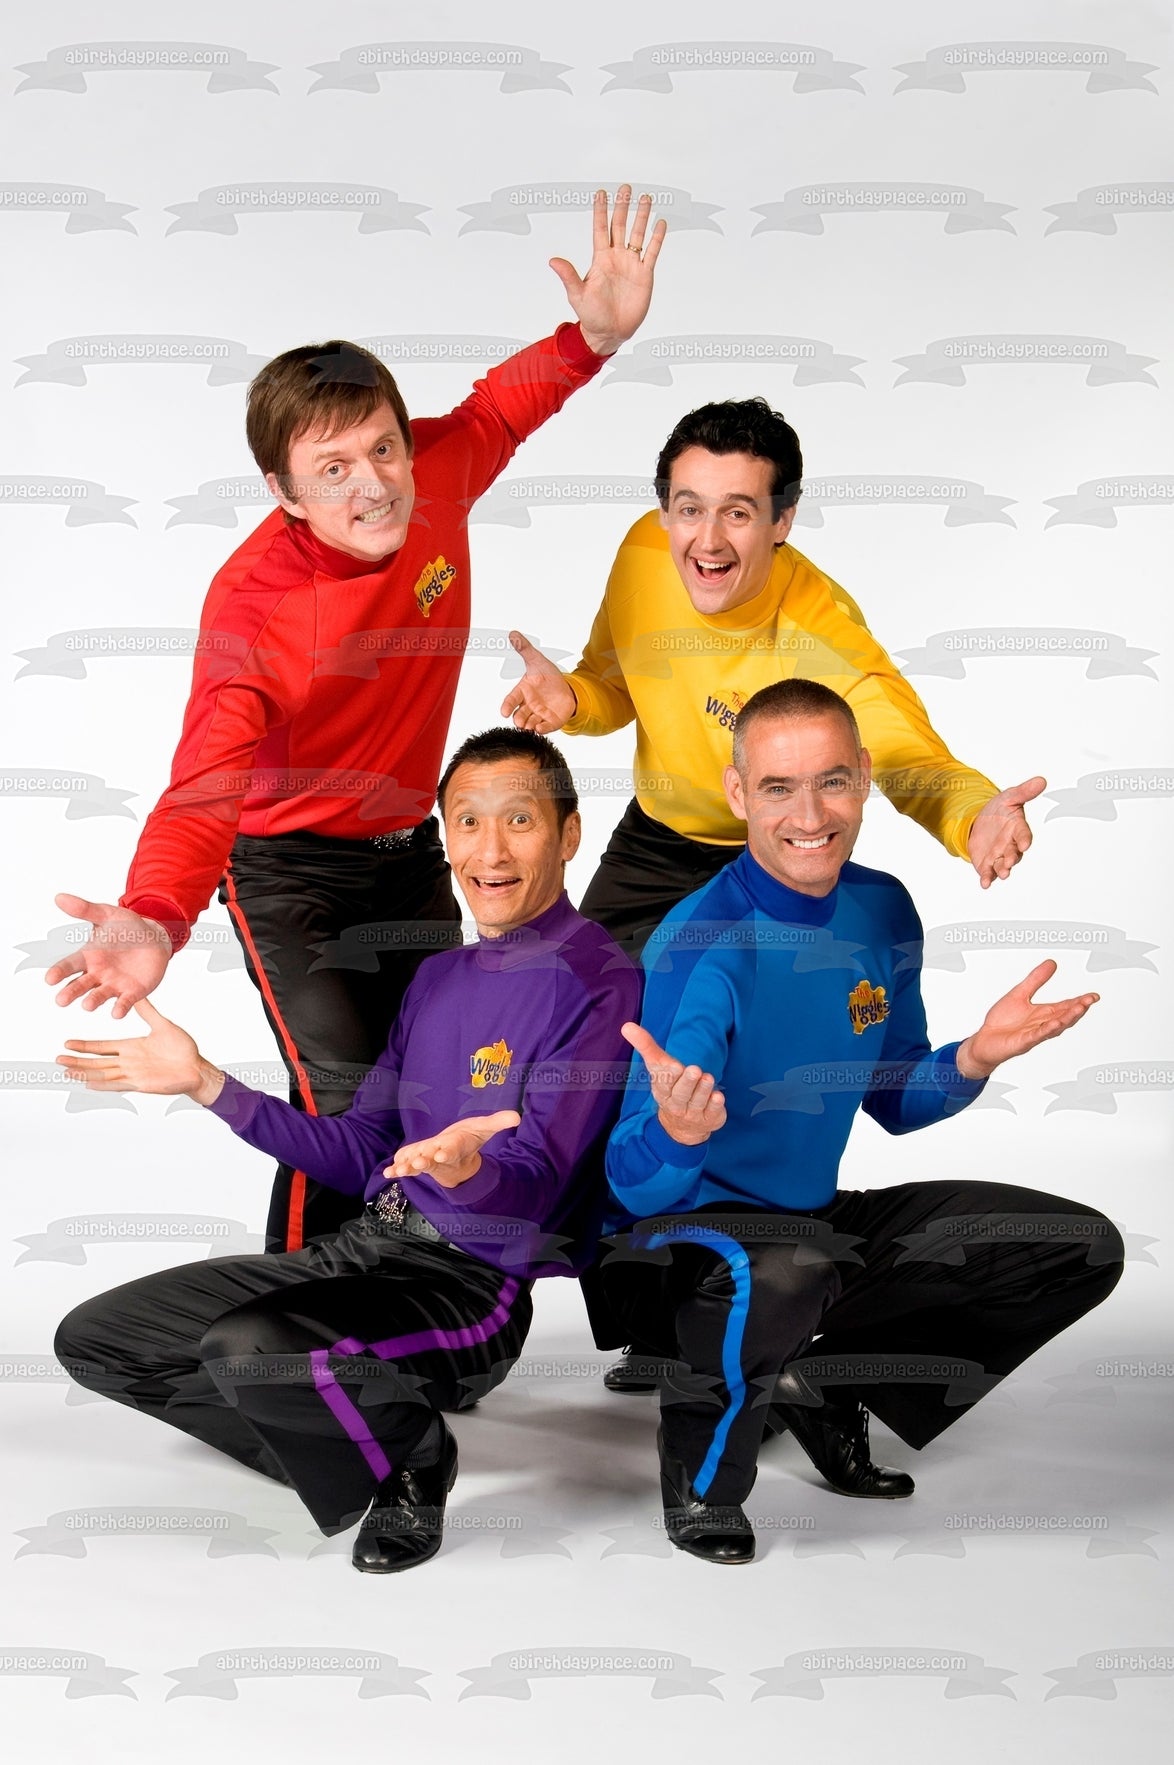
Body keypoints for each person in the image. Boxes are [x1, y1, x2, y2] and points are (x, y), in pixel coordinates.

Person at [46, 186, 666, 1256]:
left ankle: (417, 1296)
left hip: (410, 851)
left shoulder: (432, 479)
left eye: (383, 449)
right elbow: (204, 786)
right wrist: (155, 914)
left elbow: (496, 412)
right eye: (332, 471)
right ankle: (297, 1303)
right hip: (291, 874)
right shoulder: (257, 612)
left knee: (425, 1094)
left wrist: (590, 339)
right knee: (341, 1101)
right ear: (285, 492)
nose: (372, 486)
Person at [500, 396, 1048, 1392]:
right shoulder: (643, 554)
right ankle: (627, 1307)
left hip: (772, 862)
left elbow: (906, 752)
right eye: (688, 507)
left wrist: (972, 815)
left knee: (727, 1078)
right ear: (664, 507)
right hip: (655, 842)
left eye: (739, 512)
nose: (706, 539)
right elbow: (616, 681)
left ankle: (723, 1306)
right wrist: (571, 701)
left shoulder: (822, 629)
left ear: (783, 520)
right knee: (582, 1065)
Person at [54, 730, 641, 1574]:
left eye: (519, 820)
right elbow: (361, 1148)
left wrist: (468, 1170)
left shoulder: (597, 979)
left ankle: (416, 1457)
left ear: (568, 834)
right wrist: (209, 1084)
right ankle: (341, 1442)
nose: (491, 850)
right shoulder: (440, 977)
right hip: (366, 1247)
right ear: (446, 838)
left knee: (251, 1347)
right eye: (468, 822)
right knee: (100, 1339)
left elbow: (540, 1192)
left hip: (468, 1289)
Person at [600, 679, 1122, 1565]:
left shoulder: (881, 908)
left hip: (809, 1219)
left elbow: (892, 1095)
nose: (811, 814)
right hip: (681, 1237)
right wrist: (679, 1132)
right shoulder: (704, 940)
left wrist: (972, 1057)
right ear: (738, 794)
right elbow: (630, 1181)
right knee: (786, 1268)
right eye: (778, 787)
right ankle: (701, 1478)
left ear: (866, 777)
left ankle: (822, 1384)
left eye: (833, 781)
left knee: (1078, 1245)